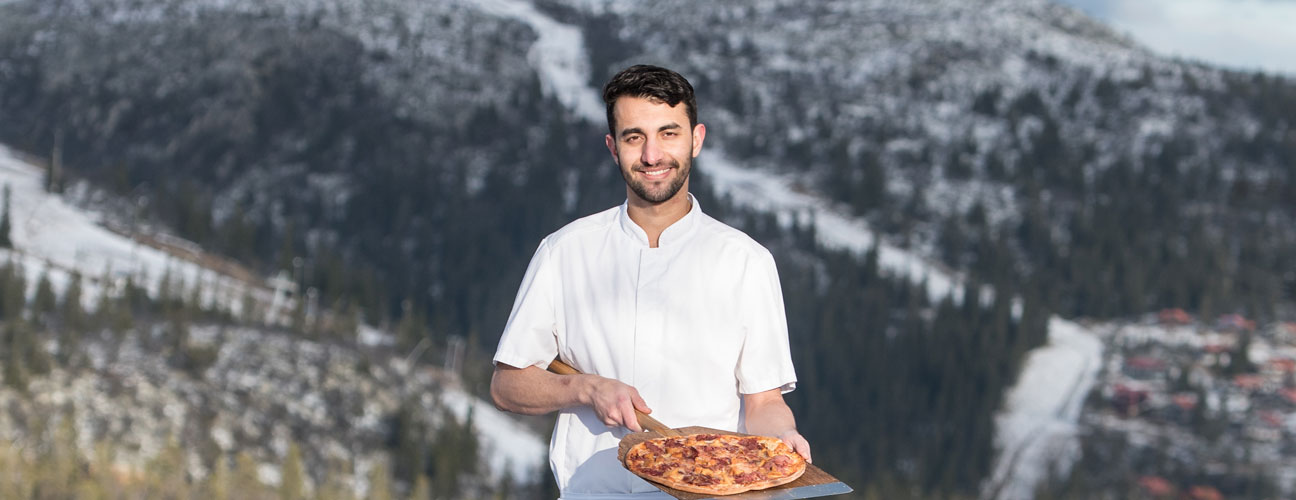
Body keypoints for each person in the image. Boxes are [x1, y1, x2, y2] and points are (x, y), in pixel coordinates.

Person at [490, 64, 810, 499]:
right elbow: (508, 385)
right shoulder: (564, 252)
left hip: (710, 489)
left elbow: (763, 402)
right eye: (634, 137)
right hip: (593, 492)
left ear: (696, 139)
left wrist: (783, 439)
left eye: (668, 133)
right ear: (612, 146)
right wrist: (587, 387)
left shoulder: (746, 261)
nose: (652, 155)